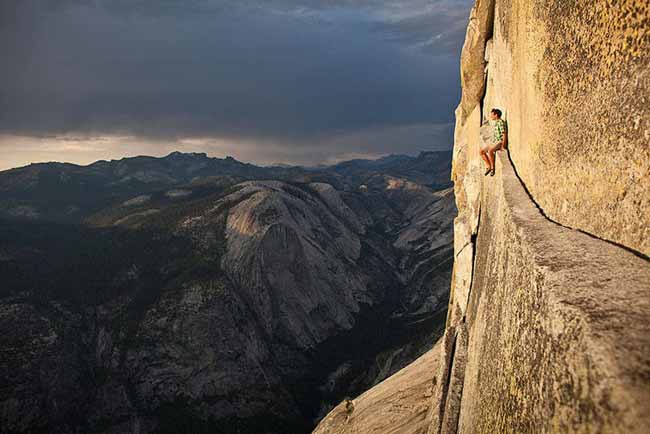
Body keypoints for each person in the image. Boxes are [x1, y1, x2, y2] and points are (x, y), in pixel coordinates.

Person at [479, 108, 507, 176]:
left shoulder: (500, 122)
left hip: (499, 142)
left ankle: (492, 168)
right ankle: (488, 166)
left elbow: (504, 134)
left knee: (490, 151)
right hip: (494, 141)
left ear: (496, 115)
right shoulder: (496, 122)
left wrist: (503, 145)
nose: (491, 116)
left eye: (492, 115)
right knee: (481, 151)